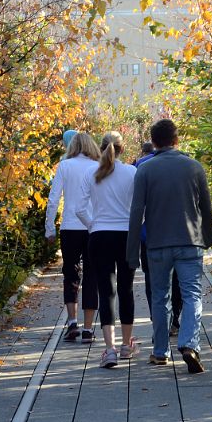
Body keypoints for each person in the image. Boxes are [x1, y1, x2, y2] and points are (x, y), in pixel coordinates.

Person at [126, 119, 212, 373]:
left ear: (153, 142)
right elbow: (206, 209)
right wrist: (207, 238)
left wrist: (131, 253)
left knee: (160, 297)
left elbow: (136, 213)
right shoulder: (194, 168)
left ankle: (160, 351)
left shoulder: (145, 170)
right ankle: (189, 344)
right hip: (190, 242)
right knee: (192, 295)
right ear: (177, 140)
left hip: (157, 245)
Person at [75, 132, 138, 369]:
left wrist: (94, 225)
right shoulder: (132, 173)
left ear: (101, 149)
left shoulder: (90, 174)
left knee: (106, 291)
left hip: (99, 236)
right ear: (122, 149)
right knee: (126, 289)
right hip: (125, 237)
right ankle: (126, 345)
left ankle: (109, 350)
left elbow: (79, 208)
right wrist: (134, 225)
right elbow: (140, 206)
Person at [46, 131, 101, 342]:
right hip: (93, 227)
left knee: (70, 274)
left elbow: (53, 199)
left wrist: (49, 228)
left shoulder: (65, 166)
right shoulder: (98, 167)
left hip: (70, 227)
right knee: (91, 276)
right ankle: (88, 329)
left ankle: (71, 323)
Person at [135, 144, 182, 337]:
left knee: (152, 280)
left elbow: (137, 205)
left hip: (151, 235)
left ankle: (158, 320)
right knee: (177, 279)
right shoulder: (186, 163)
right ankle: (175, 319)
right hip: (180, 233)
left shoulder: (141, 166)